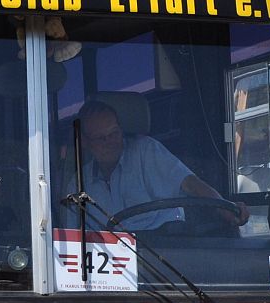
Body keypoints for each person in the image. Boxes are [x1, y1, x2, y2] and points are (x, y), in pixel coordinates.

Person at [64, 98, 249, 232]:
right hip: (114, 266)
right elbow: (73, 237)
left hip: (163, 249)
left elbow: (190, 184)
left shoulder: (145, 151)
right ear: (85, 143)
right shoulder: (79, 183)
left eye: (114, 132)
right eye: (101, 138)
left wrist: (225, 208)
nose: (111, 141)